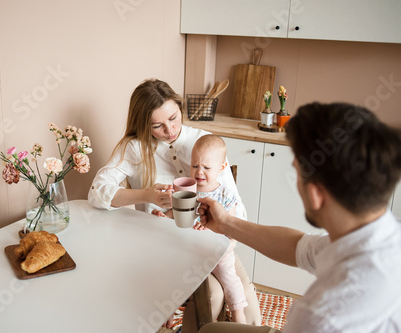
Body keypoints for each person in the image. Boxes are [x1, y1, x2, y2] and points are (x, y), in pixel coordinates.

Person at [197, 102, 401, 333]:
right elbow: (300, 247)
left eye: (297, 173)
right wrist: (226, 223)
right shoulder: (377, 236)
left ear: (315, 194)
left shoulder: (319, 317)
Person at [88, 78, 246, 219]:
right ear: (143, 125)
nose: (170, 130)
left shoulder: (205, 142)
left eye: (173, 118)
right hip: (158, 237)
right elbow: (96, 194)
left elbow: (237, 209)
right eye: (157, 126)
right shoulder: (134, 148)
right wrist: (146, 195)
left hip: (208, 239)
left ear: (179, 107)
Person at [153, 134, 248, 323]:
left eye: (206, 167)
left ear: (221, 168)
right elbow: (176, 212)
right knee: (172, 273)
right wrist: (164, 217)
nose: (199, 172)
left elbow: (229, 226)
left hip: (218, 251)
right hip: (190, 249)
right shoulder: (187, 189)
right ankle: (169, 313)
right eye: (195, 166)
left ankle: (239, 314)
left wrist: (211, 230)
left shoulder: (225, 195)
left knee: (230, 279)